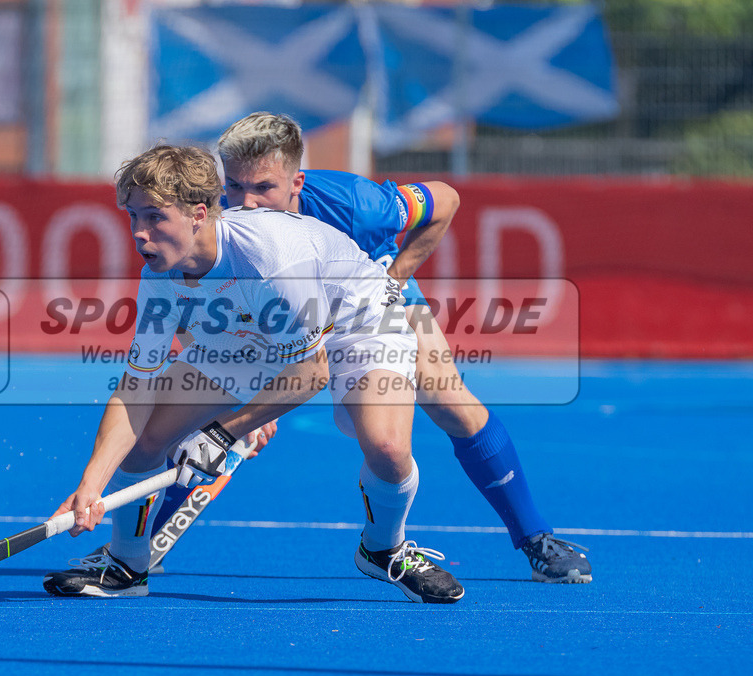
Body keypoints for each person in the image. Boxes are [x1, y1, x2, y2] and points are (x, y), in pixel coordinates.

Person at [43, 144, 464, 603]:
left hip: (357, 321)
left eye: (154, 218)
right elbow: (136, 387)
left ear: (198, 214)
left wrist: (227, 430)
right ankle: (127, 565)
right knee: (146, 439)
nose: (140, 235)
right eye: (133, 218)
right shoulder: (159, 277)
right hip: (247, 331)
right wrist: (92, 484)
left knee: (387, 446)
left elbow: (311, 371)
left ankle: (384, 549)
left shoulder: (268, 260)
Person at [193, 112, 591, 584]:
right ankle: (137, 547)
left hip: (373, 303)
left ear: (297, 181)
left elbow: (446, 199)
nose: (246, 203)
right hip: (287, 314)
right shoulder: (220, 220)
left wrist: (394, 279)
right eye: (234, 187)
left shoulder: (359, 203)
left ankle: (534, 538)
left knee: (453, 405)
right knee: (204, 403)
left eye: (263, 188)